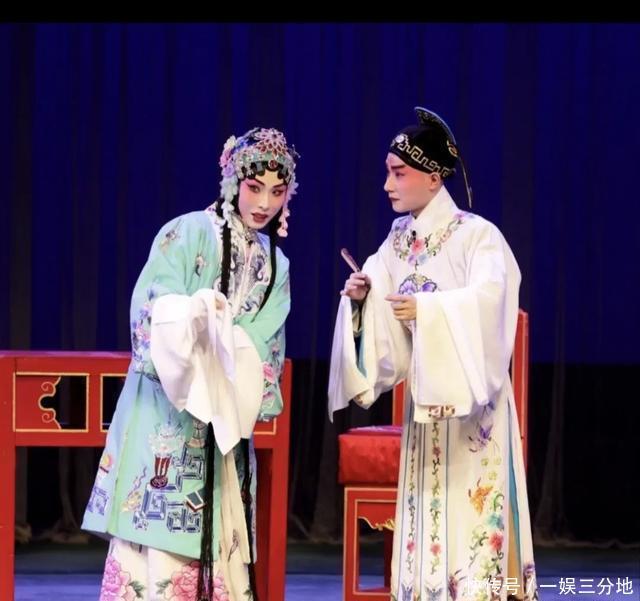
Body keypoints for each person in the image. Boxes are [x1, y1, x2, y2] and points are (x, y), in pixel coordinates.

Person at [328, 107, 538, 601]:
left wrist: (428, 310)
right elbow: (381, 299)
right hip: (424, 412)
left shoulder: (477, 235)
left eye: (398, 173)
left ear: (434, 176)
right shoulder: (398, 239)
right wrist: (361, 300)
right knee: (425, 524)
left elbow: (491, 302)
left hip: (474, 415)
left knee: (473, 519)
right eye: (388, 172)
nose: (387, 185)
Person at [83, 127, 299, 601]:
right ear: (232, 181)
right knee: (158, 538)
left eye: (277, 191)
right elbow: (153, 306)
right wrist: (194, 317)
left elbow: (265, 341)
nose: (265, 203)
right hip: (169, 408)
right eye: (254, 187)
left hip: (224, 416)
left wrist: (229, 353)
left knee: (219, 536)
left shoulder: (276, 265)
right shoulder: (186, 233)